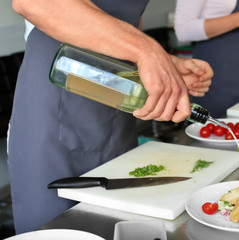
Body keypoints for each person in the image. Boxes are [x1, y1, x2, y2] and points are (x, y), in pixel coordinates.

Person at [8, 0, 213, 234]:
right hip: (63, 85)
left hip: (116, 96)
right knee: (57, 228)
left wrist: (163, 63)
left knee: (117, 224)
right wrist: (147, 51)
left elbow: (122, 20)